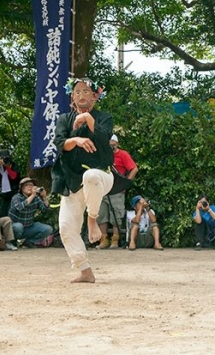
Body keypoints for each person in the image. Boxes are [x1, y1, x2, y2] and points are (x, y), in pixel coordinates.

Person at [51, 77, 114, 283]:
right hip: (71, 180)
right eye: (77, 92)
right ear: (72, 96)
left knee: (91, 176)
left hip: (101, 176)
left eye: (86, 91)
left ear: (95, 96)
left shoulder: (104, 118)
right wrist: (75, 140)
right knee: (66, 227)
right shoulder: (64, 119)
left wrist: (88, 119)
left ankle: (92, 219)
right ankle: (85, 270)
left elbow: (105, 139)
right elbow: (60, 143)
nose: (81, 95)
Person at [96, 134, 138, 249]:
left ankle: (115, 239)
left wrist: (126, 183)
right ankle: (103, 240)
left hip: (117, 190)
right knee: (101, 215)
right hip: (103, 190)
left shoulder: (123, 154)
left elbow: (134, 168)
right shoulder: (102, 154)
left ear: (117, 144)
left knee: (116, 216)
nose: (112, 147)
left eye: (113, 144)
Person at [9, 177, 53, 247]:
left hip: (28, 227)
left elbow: (46, 210)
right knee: (18, 227)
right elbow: (20, 207)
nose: (30, 187)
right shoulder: (16, 197)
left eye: (31, 185)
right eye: (27, 185)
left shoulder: (36, 198)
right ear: (21, 188)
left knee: (48, 229)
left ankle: (29, 242)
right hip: (15, 227)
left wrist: (44, 197)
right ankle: (13, 242)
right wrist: (32, 195)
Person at [0, 149, 21, 217]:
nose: (5, 160)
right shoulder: (0, 167)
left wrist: (7, 167)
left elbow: (13, 177)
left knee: (12, 211)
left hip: (14, 192)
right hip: (4, 193)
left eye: (6, 158)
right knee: (3, 213)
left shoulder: (14, 165)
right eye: (2, 158)